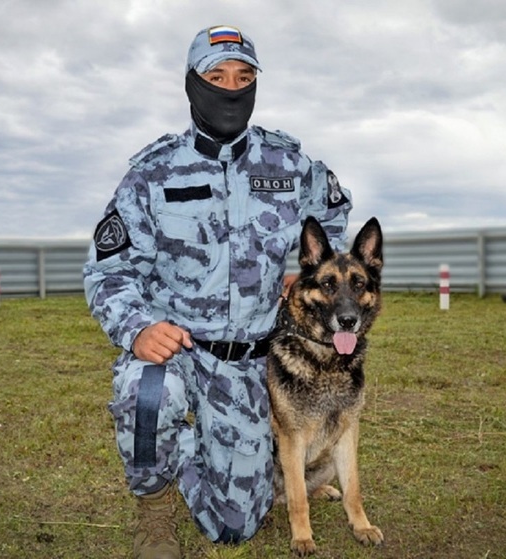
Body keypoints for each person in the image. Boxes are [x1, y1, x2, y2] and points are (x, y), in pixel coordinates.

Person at [83, 24, 352, 559]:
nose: (231, 88)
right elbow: (107, 271)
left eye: (243, 77)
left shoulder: (290, 166)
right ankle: (154, 513)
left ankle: (196, 450)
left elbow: (334, 218)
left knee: (234, 528)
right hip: (181, 350)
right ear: (192, 84)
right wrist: (138, 329)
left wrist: (309, 267)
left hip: (254, 365)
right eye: (216, 76)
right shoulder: (153, 174)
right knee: (147, 392)